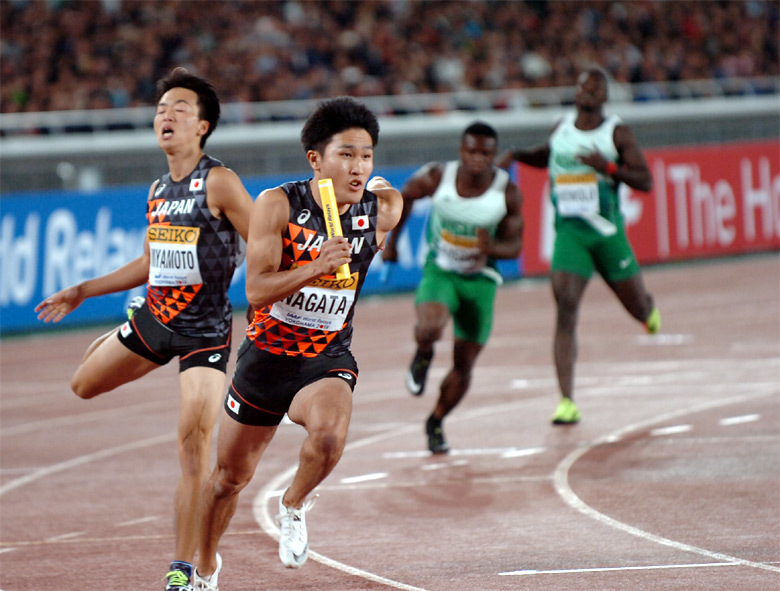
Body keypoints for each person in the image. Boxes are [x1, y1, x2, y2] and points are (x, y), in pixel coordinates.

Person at [34, 68, 254, 591]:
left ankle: (185, 570)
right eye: (161, 109)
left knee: (194, 442)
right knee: (82, 384)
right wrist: (83, 289)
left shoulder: (218, 181)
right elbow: (151, 261)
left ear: (203, 126)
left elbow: (264, 241)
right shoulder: (158, 189)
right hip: (153, 321)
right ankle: (121, 330)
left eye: (180, 108)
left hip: (205, 334)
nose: (167, 116)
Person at [192, 96, 403, 589]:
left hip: (325, 356)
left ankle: (293, 503)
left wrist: (379, 187)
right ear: (316, 159)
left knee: (329, 436)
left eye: (366, 156)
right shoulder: (279, 204)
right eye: (346, 154)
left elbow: (390, 199)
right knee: (227, 480)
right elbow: (256, 288)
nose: (358, 167)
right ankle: (203, 570)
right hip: (265, 359)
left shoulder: (379, 211)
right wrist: (314, 267)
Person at [498, 67, 661, 426]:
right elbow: (547, 154)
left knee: (635, 306)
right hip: (570, 234)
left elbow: (645, 181)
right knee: (566, 306)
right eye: (582, 85)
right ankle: (566, 401)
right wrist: (517, 155)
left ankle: (648, 310)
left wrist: (607, 166)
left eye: (594, 87)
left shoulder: (616, 131)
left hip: (606, 234)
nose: (586, 91)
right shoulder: (562, 126)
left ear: (604, 96)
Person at [382, 121, 524, 454]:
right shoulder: (439, 177)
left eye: (485, 153)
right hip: (441, 272)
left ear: (493, 155)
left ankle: (436, 421)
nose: (477, 159)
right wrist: (392, 243)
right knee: (430, 327)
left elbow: (515, 247)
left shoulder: (507, 192)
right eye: (471, 151)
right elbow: (404, 196)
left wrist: (491, 249)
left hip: (481, 283)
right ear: (462, 151)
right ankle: (423, 354)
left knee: (464, 366)